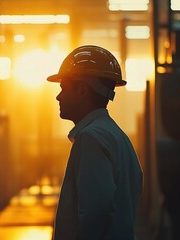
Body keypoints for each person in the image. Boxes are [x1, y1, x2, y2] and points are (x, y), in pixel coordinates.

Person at [46, 45, 143, 240]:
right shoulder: (116, 136)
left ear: (82, 89)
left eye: (63, 88)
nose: (58, 96)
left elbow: (96, 213)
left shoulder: (91, 138)